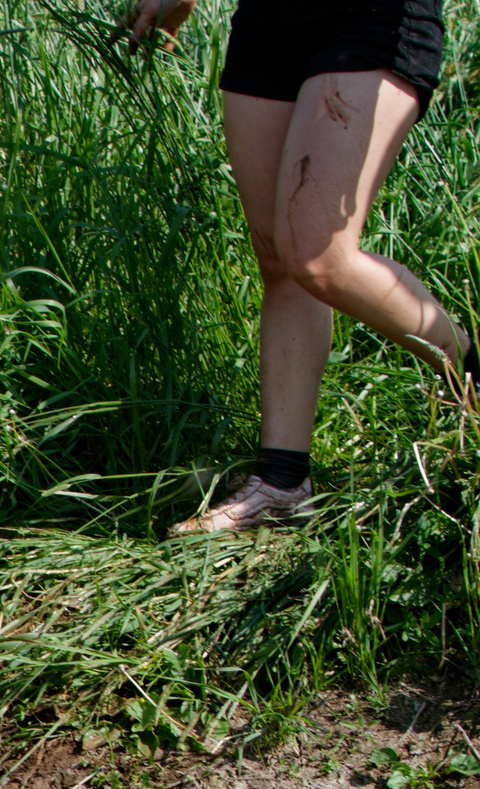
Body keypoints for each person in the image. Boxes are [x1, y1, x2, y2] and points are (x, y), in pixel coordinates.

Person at [130, 0, 474, 536]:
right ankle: (283, 484)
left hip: (372, 19)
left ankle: (469, 369)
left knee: (319, 256)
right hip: (269, 18)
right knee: (280, 260)